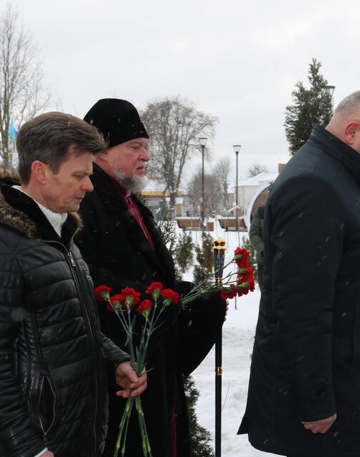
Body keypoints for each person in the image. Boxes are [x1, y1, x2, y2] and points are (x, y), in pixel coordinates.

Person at [239, 89, 360, 456]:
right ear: (351, 132)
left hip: (354, 388)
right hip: (336, 405)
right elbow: (300, 306)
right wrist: (314, 397)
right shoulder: (315, 184)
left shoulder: (339, 176)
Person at [0, 112, 148, 457]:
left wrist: (113, 360)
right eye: (79, 175)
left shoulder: (60, 233)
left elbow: (66, 321)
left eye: (89, 174)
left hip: (74, 437)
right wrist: (27, 448)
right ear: (41, 171)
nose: (89, 185)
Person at [77, 98, 226, 457]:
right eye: (134, 147)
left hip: (150, 358)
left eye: (146, 147)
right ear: (101, 150)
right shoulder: (85, 198)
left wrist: (187, 296)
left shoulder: (126, 198)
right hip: (123, 367)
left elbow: (148, 273)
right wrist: (155, 298)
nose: (145, 156)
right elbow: (84, 278)